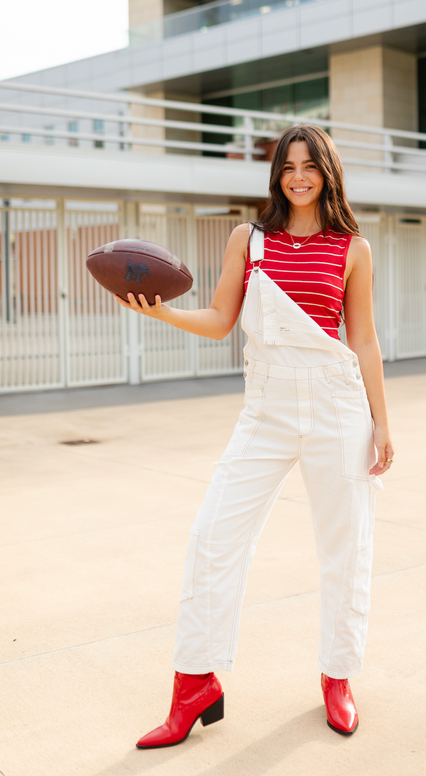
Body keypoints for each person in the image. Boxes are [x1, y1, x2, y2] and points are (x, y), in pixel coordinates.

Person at [115, 124, 394, 747]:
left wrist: (382, 423)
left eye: (310, 165)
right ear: (277, 174)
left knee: (346, 551)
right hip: (265, 409)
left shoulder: (353, 248)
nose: (299, 176)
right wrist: (160, 311)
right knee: (211, 537)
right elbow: (220, 320)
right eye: (288, 165)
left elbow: (364, 340)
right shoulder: (251, 238)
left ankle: (338, 677)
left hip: (338, 410)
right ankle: (194, 686)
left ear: (328, 171)